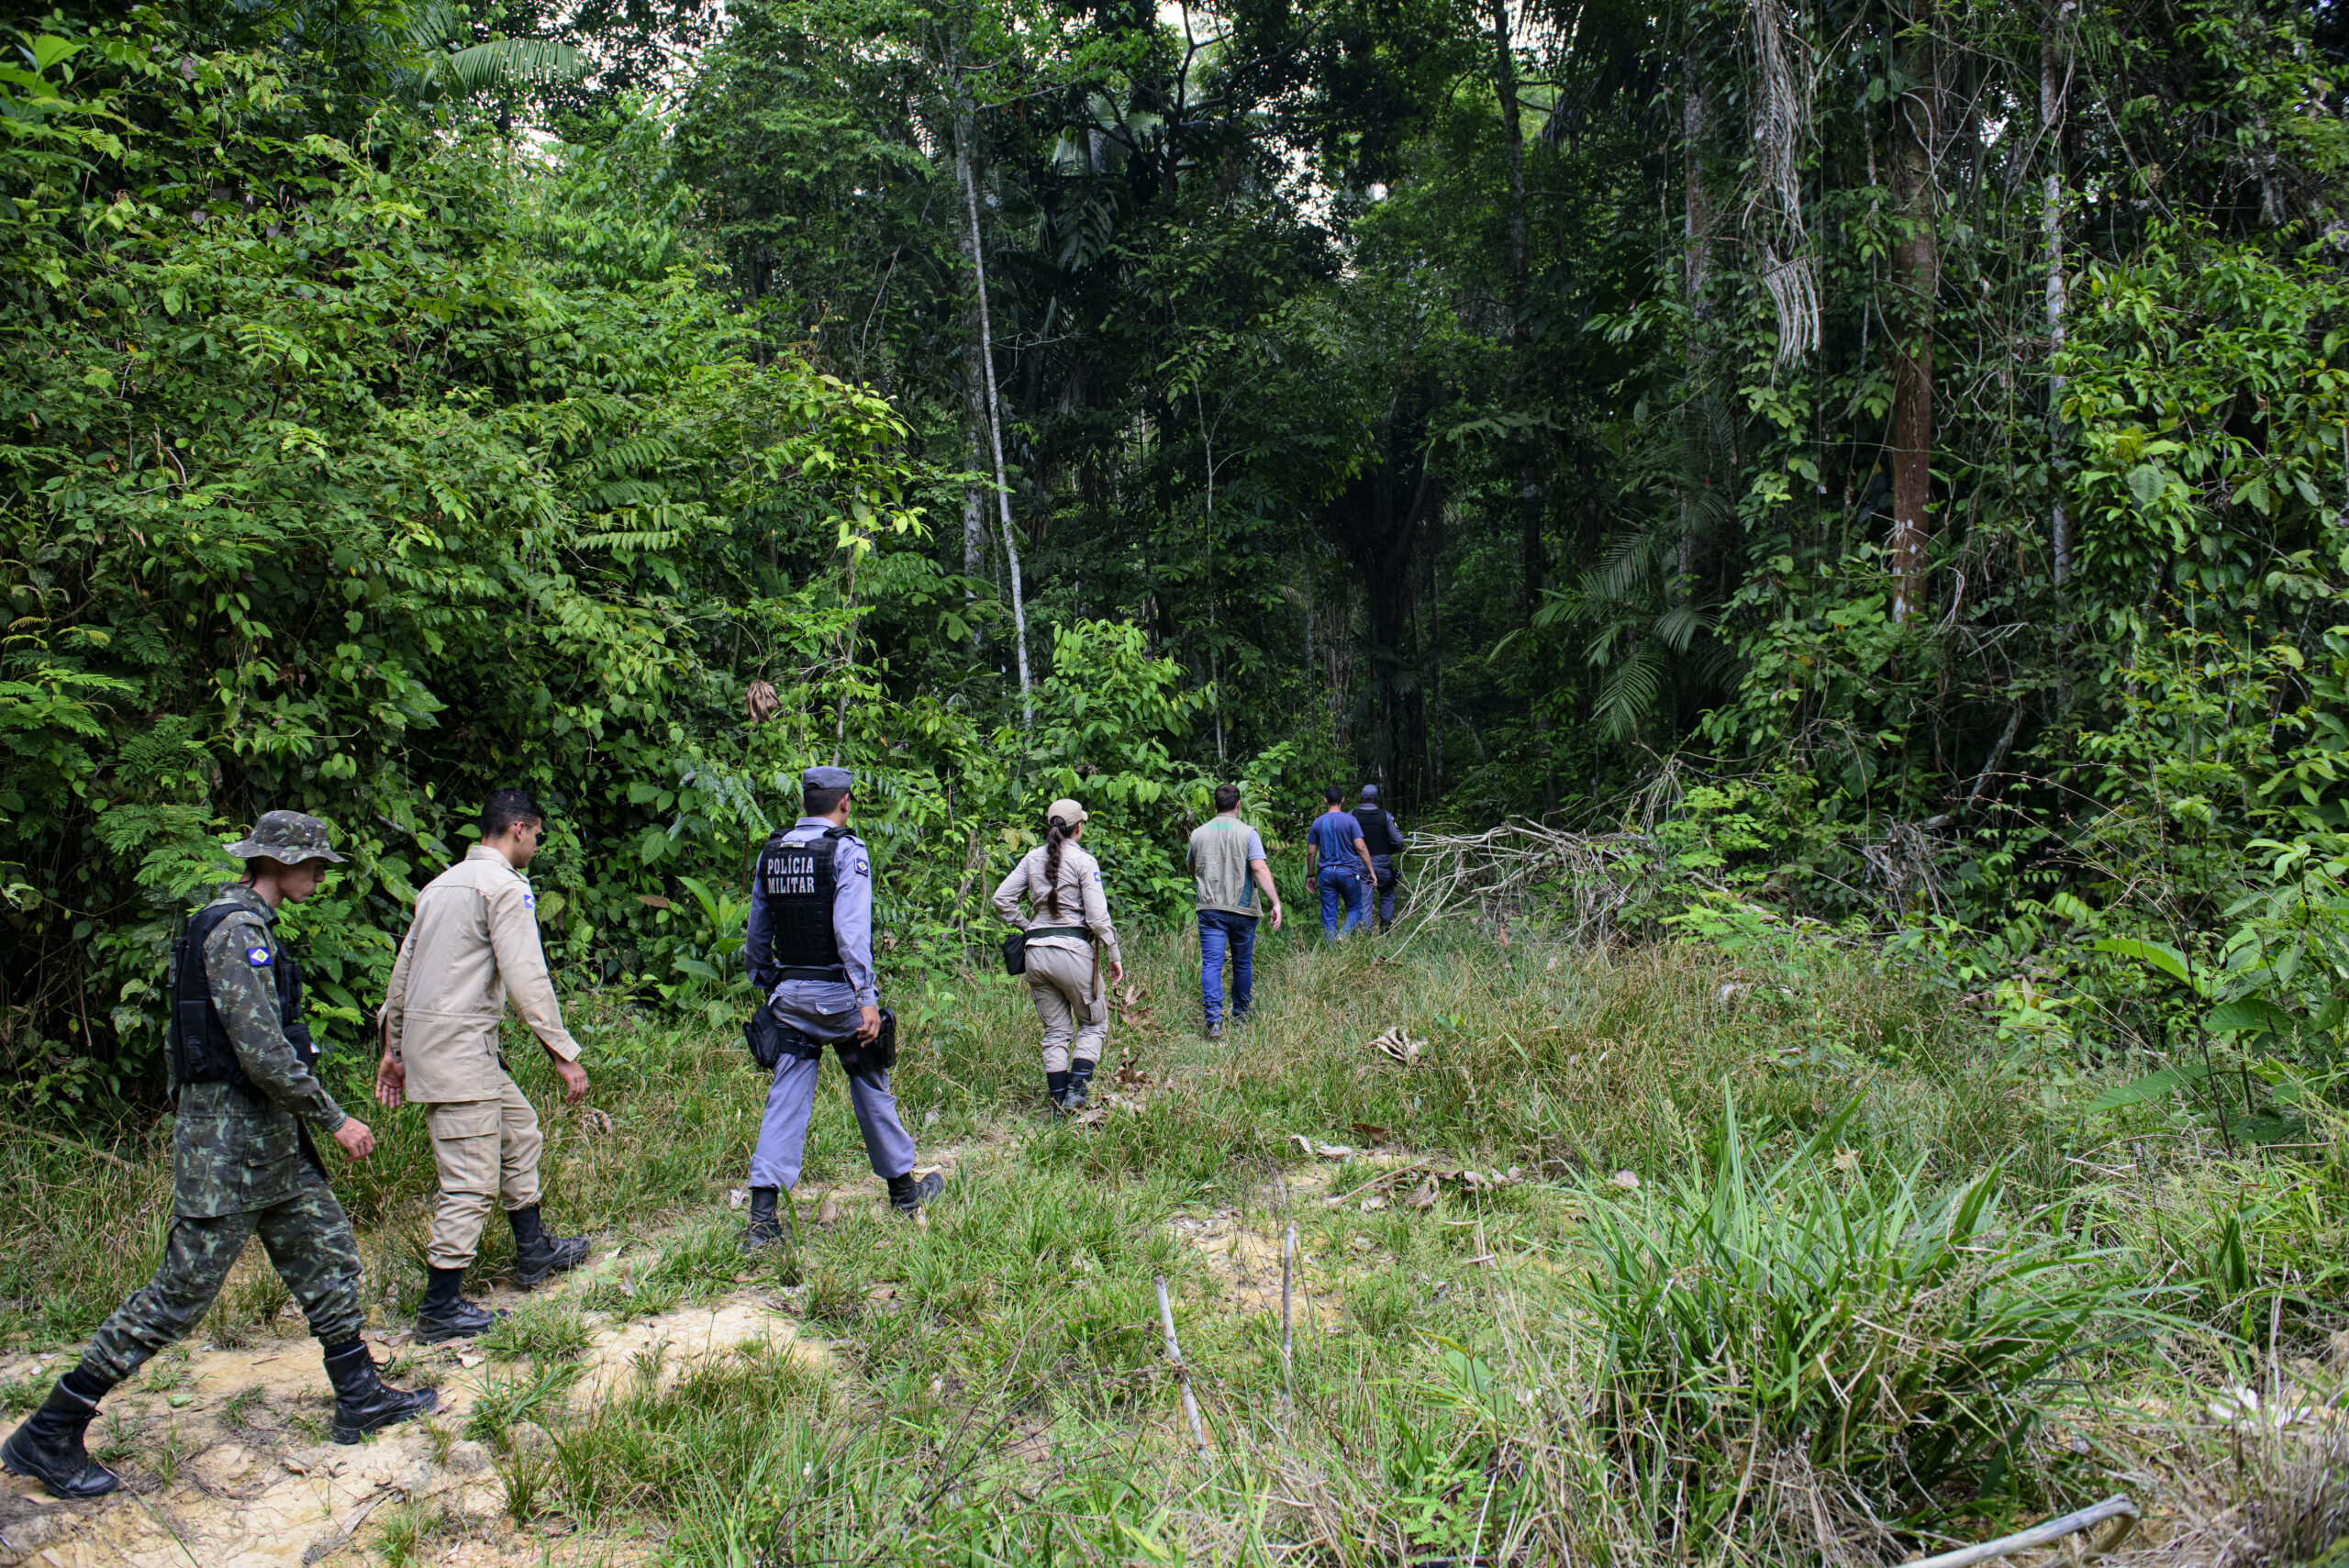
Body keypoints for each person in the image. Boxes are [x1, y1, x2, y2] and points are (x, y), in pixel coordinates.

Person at [2, 813, 435, 1499]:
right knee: (179, 1297)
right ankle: (52, 1428)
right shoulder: (236, 931)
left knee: (327, 1254)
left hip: (269, 1144)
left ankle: (360, 1393)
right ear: (274, 862)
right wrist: (335, 1118)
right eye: (311, 863)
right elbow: (262, 1051)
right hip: (229, 1147)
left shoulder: (251, 926)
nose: (320, 874)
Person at [375, 789, 592, 1343]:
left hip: (451, 1048)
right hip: (458, 1051)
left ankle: (533, 1251)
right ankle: (440, 1307)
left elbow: (403, 971)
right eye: (538, 836)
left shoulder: (439, 885)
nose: (538, 847)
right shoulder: (503, 887)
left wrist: (393, 1048)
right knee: (470, 1181)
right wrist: (563, 1054)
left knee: (520, 1132)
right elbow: (527, 976)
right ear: (519, 828)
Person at [737, 767, 944, 1251]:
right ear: (845, 803)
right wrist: (865, 997)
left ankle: (763, 1220)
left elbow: (756, 936)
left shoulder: (773, 852)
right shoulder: (845, 851)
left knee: (784, 1101)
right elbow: (851, 933)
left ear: (807, 803)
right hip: (839, 997)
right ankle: (904, 1193)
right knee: (872, 1082)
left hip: (791, 999)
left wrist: (769, 986)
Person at [992, 798, 1125, 1111]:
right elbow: (1096, 917)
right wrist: (1113, 953)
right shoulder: (1084, 862)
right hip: (1073, 951)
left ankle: (1057, 1104)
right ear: (1079, 827)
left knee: (1056, 1030)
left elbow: (1001, 899)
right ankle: (1076, 1094)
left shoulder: (1031, 858)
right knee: (1093, 1024)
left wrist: (1030, 928)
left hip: (1035, 955)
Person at [1186, 784, 1283, 1040]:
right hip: (1243, 909)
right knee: (1242, 963)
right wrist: (1275, 902)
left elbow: (1192, 868)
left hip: (1210, 908)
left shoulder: (1198, 834)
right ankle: (1241, 1013)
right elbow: (1259, 869)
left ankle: (1214, 1022)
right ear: (1238, 805)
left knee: (1212, 965)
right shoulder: (1248, 833)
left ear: (1214, 805)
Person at [1303, 785, 1375, 938]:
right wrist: (1371, 871)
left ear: (1325, 801)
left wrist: (1310, 875)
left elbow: (1311, 852)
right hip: (1349, 872)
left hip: (1326, 873)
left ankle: (1331, 951)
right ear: (1342, 800)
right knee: (1356, 908)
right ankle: (1342, 936)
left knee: (1329, 916)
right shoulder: (1351, 821)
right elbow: (1361, 847)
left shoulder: (1317, 823)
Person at [1354, 784, 1406, 930]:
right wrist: (1393, 849)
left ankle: (1365, 935)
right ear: (1377, 799)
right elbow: (1399, 841)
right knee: (1388, 894)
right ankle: (1385, 928)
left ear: (1362, 798)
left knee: (1364, 900)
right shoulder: (1386, 816)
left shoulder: (1352, 815)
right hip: (1382, 863)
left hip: (1361, 865)